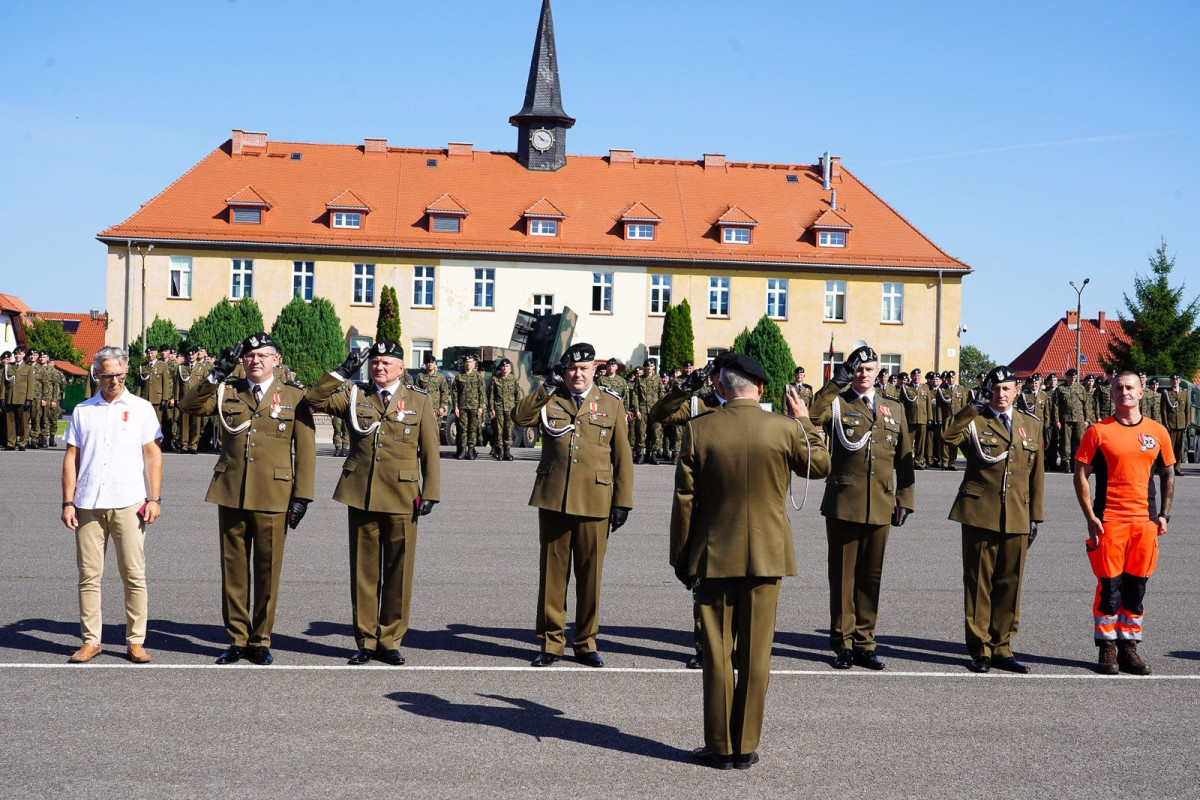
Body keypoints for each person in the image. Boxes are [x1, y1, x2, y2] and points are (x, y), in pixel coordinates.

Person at [671, 353, 830, 770]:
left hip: (712, 553)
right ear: (761, 389)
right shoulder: (783, 429)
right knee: (757, 654)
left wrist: (681, 556)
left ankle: (721, 747)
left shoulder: (698, 430)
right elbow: (822, 467)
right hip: (767, 555)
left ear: (721, 388)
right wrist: (806, 421)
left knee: (717, 654)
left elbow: (684, 501)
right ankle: (745, 746)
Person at [180, 332, 316, 666]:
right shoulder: (228, 390)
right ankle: (237, 638)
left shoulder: (294, 396)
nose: (255, 360)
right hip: (232, 490)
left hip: (274, 494)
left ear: (276, 360)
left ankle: (261, 639)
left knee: (268, 571)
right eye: (249, 356)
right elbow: (189, 406)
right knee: (234, 569)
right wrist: (215, 374)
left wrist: (302, 496)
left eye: (262, 355)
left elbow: (306, 450)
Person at [306, 341, 440, 666]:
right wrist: (342, 371)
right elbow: (314, 399)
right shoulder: (356, 396)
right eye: (375, 362)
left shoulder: (419, 401)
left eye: (386, 363)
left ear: (401, 367)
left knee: (398, 571)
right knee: (364, 571)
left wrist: (430, 492)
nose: (379, 367)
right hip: (361, 492)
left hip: (404, 494)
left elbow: (431, 450)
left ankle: (390, 639)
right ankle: (366, 639)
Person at [513, 342, 633, 667]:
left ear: (595, 369)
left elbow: (622, 456)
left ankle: (585, 642)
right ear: (564, 371)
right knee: (553, 574)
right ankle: (551, 643)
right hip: (554, 498)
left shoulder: (611, 403)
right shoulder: (551, 397)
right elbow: (520, 418)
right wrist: (546, 387)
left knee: (590, 575)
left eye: (584, 368)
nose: (577, 374)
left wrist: (622, 502)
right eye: (572, 369)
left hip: (596, 500)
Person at [810, 344, 915, 669]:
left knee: (871, 577)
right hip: (844, 502)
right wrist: (834, 382)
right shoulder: (838, 404)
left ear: (878, 371)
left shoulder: (893, 409)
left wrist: (905, 499)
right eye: (857, 369)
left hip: (881, 503)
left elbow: (905, 459)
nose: (863, 374)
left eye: (869, 369)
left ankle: (865, 642)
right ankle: (842, 643)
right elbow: (812, 414)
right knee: (842, 577)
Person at [59, 346, 163, 664]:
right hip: (88, 503)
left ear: (125, 373)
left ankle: (135, 641)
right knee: (89, 575)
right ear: (97, 374)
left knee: (133, 574)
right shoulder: (83, 411)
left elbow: (152, 454)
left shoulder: (142, 408)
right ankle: (92, 640)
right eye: (107, 375)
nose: (113, 380)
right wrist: (68, 501)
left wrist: (154, 498)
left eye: (118, 374)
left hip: (129, 503)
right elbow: (71, 458)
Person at [942, 366, 1043, 673]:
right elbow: (947, 436)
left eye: (1006, 389)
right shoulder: (976, 420)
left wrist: (1035, 515)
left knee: (1010, 582)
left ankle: (1002, 647)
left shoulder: (1031, 424)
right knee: (978, 584)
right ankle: (980, 648)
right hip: (979, 512)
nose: (1001, 394)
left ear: (1016, 391)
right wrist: (972, 406)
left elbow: (1036, 474)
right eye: (995, 389)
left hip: (1017, 512)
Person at [1073, 370, 1174, 675]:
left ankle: (1129, 647)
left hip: (1144, 523)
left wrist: (1164, 514)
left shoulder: (1158, 432)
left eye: (1130, 387)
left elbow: (1168, 474)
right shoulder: (1098, 432)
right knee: (1109, 588)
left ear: (1142, 392)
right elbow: (1080, 474)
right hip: (1110, 522)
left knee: (1136, 588)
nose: (1124, 392)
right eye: (1118, 388)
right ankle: (1107, 648)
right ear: (1112, 393)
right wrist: (1090, 516)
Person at [487, 357, 522, 461]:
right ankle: (500, 450)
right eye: (503, 366)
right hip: (498, 409)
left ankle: (507, 450)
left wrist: (517, 409)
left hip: (510, 409)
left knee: (508, 429)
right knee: (498, 430)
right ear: (500, 368)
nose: (505, 368)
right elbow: (491, 395)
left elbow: (518, 395)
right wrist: (491, 409)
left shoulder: (514, 380)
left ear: (510, 368)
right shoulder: (495, 379)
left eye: (507, 366)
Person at [1056, 368, 1089, 472]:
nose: (1073, 379)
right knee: (1066, 442)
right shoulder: (1061, 389)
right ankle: (1066, 463)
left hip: (1079, 419)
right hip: (1065, 419)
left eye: (1074, 377)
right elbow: (1056, 406)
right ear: (1066, 377)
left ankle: (1077, 462)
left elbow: (1086, 405)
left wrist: (1087, 419)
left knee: (1079, 441)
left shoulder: (1081, 388)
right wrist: (1057, 420)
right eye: (1071, 377)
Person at [453, 354, 485, 459]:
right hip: (462, 407)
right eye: (466, 362)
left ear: (474, 363)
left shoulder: (478, 376)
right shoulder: (459, 377)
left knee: (472, 429)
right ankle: (462, 450)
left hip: (474, 407)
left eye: (470, 362)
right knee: (462, 429)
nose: (468, 364)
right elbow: (454, 393)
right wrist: (455, 407)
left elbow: (482, 393)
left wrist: (481, 407)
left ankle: (471, 450)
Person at [633, 359, 665, 464]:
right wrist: (636, 409)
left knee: (656, 432)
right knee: (641, 433)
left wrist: (661, 409)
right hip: (642, 409)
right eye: (647, 366)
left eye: (651, 366)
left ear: (654, 367)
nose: (649, 368)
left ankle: (653, 454)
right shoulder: (639, 380)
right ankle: (641, 454)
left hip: (655, 409)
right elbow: (635, 395)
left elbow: (661, 395)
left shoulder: (658, 379)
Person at [1160, 374, 1190, 476]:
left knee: (1179, 447)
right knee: (1170, 448)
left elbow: (1187, 409)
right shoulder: (1167, 393)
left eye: (1177, 380)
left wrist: (1187, 423)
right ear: (1171, 382)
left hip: (1181, 424)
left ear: (1180, 381)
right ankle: (1170, 468)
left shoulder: (1184, 393)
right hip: (1171, 424)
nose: (1175, 381)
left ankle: (1177, 468)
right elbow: (1163, 409)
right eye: (1173, 380)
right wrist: (1165, 423)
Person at [901, 367, 929, 468]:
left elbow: (928, 404)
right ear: (911, 377)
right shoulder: (906, 388)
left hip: (922, 419)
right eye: (914, 376)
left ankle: (918, 461)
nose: (916, 377)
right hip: (910, 419)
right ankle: (906, 461)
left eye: (918, 375)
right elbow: (902, 404)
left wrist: (929, 418)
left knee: (920, 443)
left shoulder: (925, 388)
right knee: (908, 442)